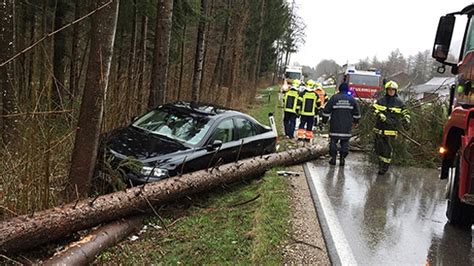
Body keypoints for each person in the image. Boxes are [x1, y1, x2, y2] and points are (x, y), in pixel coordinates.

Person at [372, 80, 410, 175]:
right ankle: (381, 164)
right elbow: (373, 109)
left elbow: (405, 112)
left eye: (393, 90)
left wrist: (406, 119)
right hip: (379, 129)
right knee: (379, 149)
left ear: (396, 91)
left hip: (391, 130)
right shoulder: (381, 101)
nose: (391, 91)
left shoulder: (399, 102)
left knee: (387, 150)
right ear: (386, 90)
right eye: (389, 90)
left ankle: (384, 168)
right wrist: (379, 115)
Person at [322, 82, 360, 166]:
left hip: (335, 124)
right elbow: (356, 113)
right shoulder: (351, 99)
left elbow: (326, 111)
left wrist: (324, 121)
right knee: (345, 141)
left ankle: (333, 158)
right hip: (347, 125)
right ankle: (342, 159)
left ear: (339, 89)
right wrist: (356, 122)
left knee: (333, 141)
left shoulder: (334, 98)